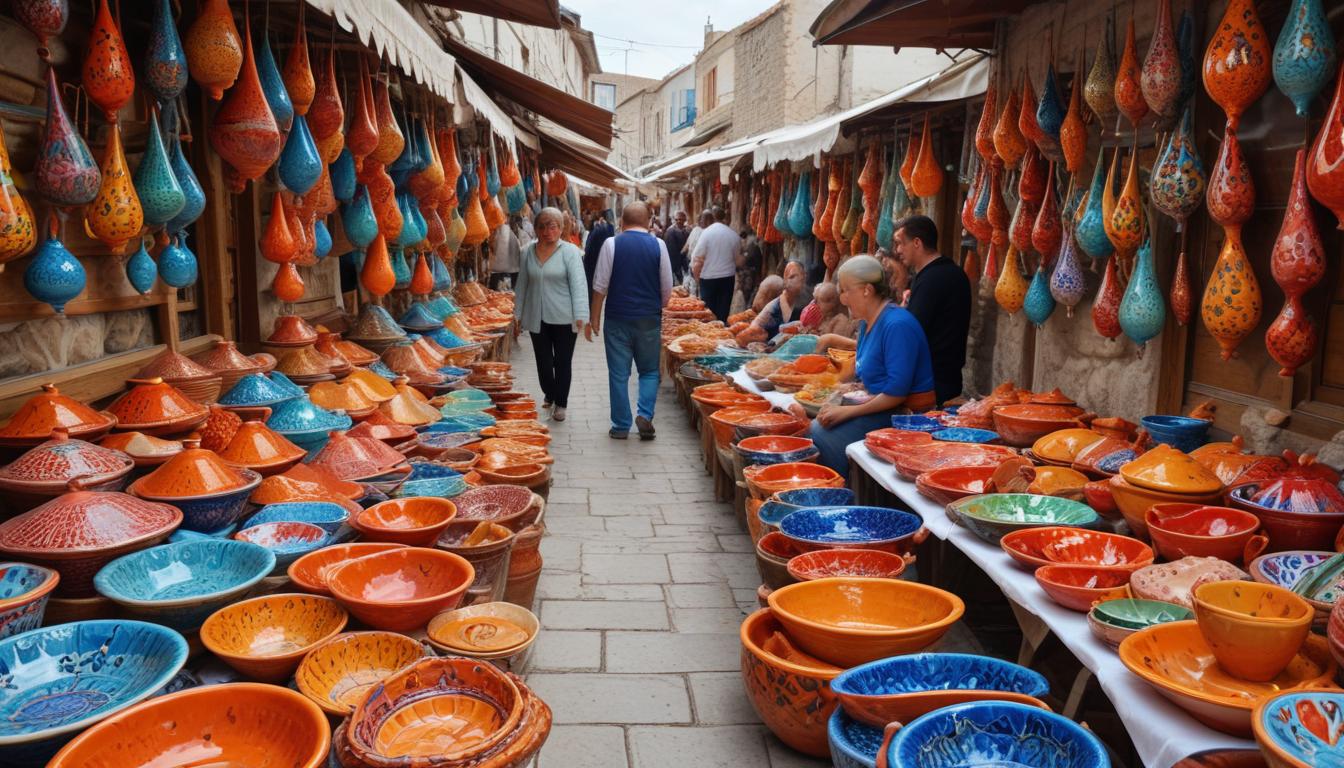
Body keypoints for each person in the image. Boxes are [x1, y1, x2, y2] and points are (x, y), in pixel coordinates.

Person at [809, 255, 936, 476]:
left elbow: (896, 393)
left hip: (904, 416)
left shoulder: (897, 325)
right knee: (817, 421)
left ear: (867, 290)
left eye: (846, 290)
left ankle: (844, 495)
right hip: (882, 408)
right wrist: (851, 391)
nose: (843, 298)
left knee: (820, 434)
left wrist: (848, 412)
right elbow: (869, 375)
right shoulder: (867, 323)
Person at [587, 201, 674, 441]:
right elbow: (667, 287)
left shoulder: (611, 243)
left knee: (618, 373)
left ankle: (620, 426)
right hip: (649, 318)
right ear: (649, 223)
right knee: (648, 371)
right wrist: (660, 305)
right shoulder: (659, 245)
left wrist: (595, 317)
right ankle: (645, 414)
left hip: (616, 318)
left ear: (622, 223)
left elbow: (600, 285)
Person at [513, 207, 589, 423]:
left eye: (552, 226)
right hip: (537, 317)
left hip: (565, 317)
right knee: (544, 362)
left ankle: (561, 403)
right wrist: (516, 315)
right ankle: (550, 392)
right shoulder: (527, 251)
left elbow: (579, 285)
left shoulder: (571, 252)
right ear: (535, 228)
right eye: (542, 226)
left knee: (562, 362)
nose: (547, 231)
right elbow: (522, 286)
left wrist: (582, 314)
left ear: (561, 228)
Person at [893, 215, 971, 406]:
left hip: (934, 382)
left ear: (917, 243)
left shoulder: (934, 279)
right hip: (945, 377)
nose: (898, 250)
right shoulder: (944, 272)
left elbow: (912, 331)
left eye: (901, 243)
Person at [690, 205, 742, 322]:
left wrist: (697, 279)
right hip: (727, 278)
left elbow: (697, 259)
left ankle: (709, 337)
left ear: (712, 217)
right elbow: (738, 261)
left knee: (708, 313)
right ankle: (721, 334)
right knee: (723, 313)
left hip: (708, 279)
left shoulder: (706, 233)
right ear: (725, 217)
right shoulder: (733, 235)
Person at [750, 260, 807, 339]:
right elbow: (754, 326)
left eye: (792, 277)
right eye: (786, 278)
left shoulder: (807, 298)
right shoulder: (775, 305)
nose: (788, 281)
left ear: (803, 277)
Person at [582, 210, 615, 295]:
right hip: (598, 266)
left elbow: (588, 249)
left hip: (591, 266)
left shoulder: (597, 230)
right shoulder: (607, 229)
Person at [488, 214, 522, 290]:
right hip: (512, 272)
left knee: (502, 297)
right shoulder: (509, 231)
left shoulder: (502, 231)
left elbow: (501, 258)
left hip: (502, 273)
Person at [663, 211, 691, 283]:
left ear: (684, 219)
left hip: (685, 262)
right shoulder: (670, 231)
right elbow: (671, 251)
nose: (678, 221)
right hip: (675, 263)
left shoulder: (687, 230)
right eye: (676, 219)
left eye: (681, 219)